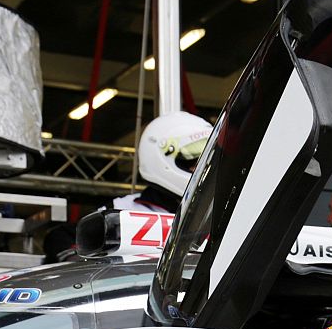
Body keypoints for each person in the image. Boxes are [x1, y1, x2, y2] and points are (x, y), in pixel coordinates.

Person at [48, 111, 214, 262]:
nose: (205, 169)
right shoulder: (123, 210)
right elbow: (62, 237)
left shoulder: (224, 209)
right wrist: (75, 259)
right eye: (195, 162)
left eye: (209, 161)